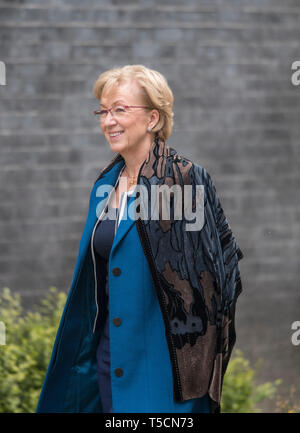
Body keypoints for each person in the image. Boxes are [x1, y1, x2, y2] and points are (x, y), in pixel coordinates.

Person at [36, 64, 243, 414]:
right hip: (107, 358)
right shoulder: (105, 186)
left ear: (152, 118)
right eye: (103, 111)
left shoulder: (182, 182)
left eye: (119, 109)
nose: (108, 120)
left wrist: (198, 373)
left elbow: (215, 284)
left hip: (165, 372)